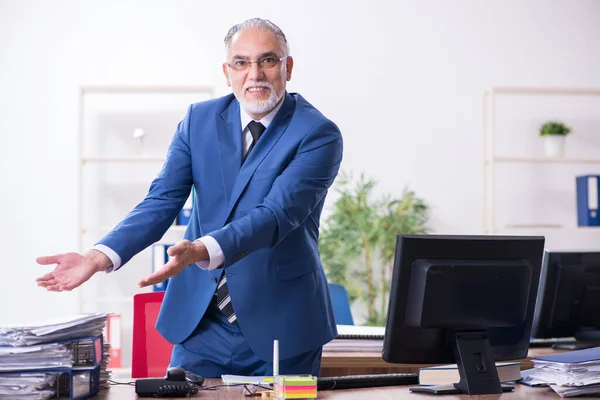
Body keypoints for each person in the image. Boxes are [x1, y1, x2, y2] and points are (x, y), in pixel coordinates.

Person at [35, 18, 343, 378]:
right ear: (227, 72)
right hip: (200, 323)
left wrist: (203, 249)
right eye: (241, 63)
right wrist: (97, 256)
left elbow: (276, 215)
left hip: (283, 322)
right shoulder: (199, 120)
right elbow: (161, 200)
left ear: (287, 67)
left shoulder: (318, 133)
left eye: (268, 60)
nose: (254, 74)